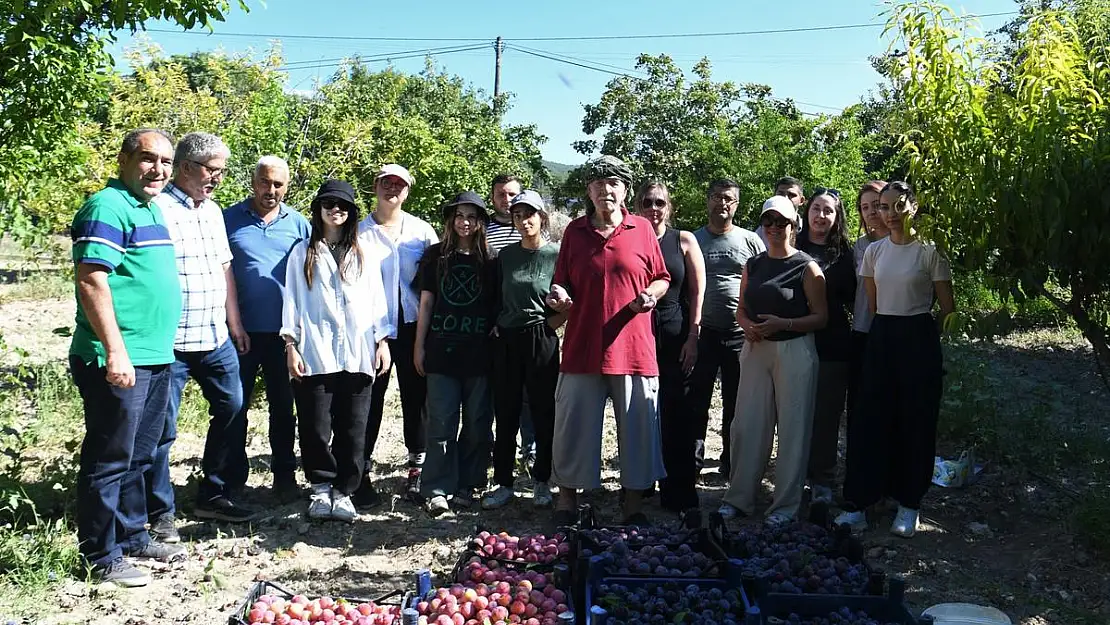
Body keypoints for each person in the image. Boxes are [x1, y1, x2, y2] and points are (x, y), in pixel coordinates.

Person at [70, 128, 184, 587]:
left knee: (140, 454)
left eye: (166, 161)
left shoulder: (149, 208)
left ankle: (132, 535)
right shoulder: (107, 206)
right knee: (109, 457)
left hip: (154, 355)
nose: (158, 169)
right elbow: (92, 279)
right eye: (147, 158)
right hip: (119, 357)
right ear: (124, 158)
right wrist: (116, 351)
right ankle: (100, 556)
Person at [547, 155, 670, 526]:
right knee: (573, 427)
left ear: (625, 190)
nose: (606, 190)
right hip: (583, 346)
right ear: (589, 190)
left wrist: (652, 293)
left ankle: (633, 504)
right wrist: (558, 293)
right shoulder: (575, 231)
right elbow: (561, 280)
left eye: (614, 183)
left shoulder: (643, 230)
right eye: (599, 184)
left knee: (637, 427)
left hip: (633, 348)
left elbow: (662, 276)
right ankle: (567, 500)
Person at [835, 182, 955, 538]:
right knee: (870, 419)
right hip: (882, 336)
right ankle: (860, 502)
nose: (888, 214)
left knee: (915, 420)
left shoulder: (931, 251)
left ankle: (909, 503)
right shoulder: (874, 252)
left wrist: (921, 337)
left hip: (918, 337)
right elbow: (874, 305)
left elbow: (947, 309)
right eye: (883, 207)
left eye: (897, 206)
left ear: (913, 206)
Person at [149, 132, 253, 536]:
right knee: (163, 429)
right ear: (186, 167)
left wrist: (235, 322)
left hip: (214, 336)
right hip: (169, 341)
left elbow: (224, 267)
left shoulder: (213, 211)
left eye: (222, 171)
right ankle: (160, 513)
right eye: (212, 170)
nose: (217, 179)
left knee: (232, 407)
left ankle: (213, 492)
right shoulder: (156, 208)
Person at [282, 180, 392, 522]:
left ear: (352, 211)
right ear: (319, 210)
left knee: (354, 425)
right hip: (315, 350)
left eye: (343, 205)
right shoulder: (303, 252)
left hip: (358, 351)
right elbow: (292, 302)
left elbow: (377, 300)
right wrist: (291, 346)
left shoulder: (365, 252)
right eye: (329, 204)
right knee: (315, 425)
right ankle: (320, 487)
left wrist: (382, 340)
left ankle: (345, 491)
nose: (336, 210)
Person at [719, 196, 828, 526]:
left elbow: (821, 317)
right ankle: (738, 498)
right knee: (746, 426)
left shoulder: (808, 267)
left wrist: (784, 324)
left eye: (781, 222)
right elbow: (740, 307)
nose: (773, 228)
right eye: (768, 222)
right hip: (756, 350)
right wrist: (747, 326)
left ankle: (784, 506)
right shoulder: (753, 264)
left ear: (794, 226)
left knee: (793, 430)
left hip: (794, 351)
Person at [224, 156, 311, 504]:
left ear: (287, 187)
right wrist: (233, 324)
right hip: (238, 332)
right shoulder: (228, 219)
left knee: (283, 406)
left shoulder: (300, 225)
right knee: (234, 406)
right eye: (264, 182)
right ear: (253, 181)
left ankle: (285, 475)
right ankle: (231, 478)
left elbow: (310, 278)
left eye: (278, 184)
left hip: (284, 335)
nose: (270, 190)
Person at [415, 191, 498, 516]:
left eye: (472, 217)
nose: (466, 222)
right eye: (460, 216)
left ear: (480, 223)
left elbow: (498, 307)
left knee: (477, 424)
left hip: (479, 354)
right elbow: (426, 303)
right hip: (441, 352)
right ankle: (436, 488)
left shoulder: (491, 261)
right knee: (441, 423)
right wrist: (418, 346)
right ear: (451, 220)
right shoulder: (435, 256)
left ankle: (469, 485)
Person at [359, 164, 438, 504]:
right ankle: (359, 470)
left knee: (416, 397)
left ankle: (417, 469)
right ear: (375, 186)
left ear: (407, 191)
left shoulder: (421, 232)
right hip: (371, 327)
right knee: (368, 399)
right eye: (386, 182)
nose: (392, 189)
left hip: (412, 325)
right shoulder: (359, 231)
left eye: (399, 184)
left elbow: (434, 279)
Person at [482, 190, 562, 510]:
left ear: (541, 218)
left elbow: (571, 297)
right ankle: (503, 483)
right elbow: (496, 296)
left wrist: (552, 325)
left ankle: (542, 481)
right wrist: (497, 324)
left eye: (530, 214)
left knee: (543, 410)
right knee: (506, 410)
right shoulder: (506, 256)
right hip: (508, 339)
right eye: (517, 215)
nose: (523, 220)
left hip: (541, 336)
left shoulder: (556, 254)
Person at [636, 181, 706, 526]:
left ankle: (679, 491)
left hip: (677, 334)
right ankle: (642, 483)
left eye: (660, 202)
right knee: (642, 412)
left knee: (677, 414)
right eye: (647, 202)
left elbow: (697, 292)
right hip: (638, 337)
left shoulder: (684, 240)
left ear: (669, 206)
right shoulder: (631, 237)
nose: (654, 208)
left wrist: (694, 337)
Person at [690, 179, 765, 479]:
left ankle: (732, 464)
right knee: (697, 402)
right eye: (717, 197)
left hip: (740, 335)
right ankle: (692, 464)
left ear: (737, 204)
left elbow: (762, 285)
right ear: (708, 200)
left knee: (737, 404)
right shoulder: (692, 240)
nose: (723, 203)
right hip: (702, 332)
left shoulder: (750, 241)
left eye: (729, 199)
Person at [797, 188, 857, 505]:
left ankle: (822, 479)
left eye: (828, 211)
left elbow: (856, 299)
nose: (821, 216)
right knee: (795, 413)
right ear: (807, 211)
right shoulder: (792, 245)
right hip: (794, 340)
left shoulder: (845, 253)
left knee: (827, 415)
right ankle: (795, 476)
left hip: (833, 343)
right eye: (817, 208)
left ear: (837, 218)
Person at [485, 174, 538, 480]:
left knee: (531, 397)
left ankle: (530, 453)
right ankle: (497, 452)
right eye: (502, 195)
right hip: (496, 327)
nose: (507, 201)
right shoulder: (484, 230)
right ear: (493, 197)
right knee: (500, 395)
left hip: (530, 330)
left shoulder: (531, 231)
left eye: (513, 195)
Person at [846, 181, 888, 432]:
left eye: (876, 205)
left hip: (895, 328)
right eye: (864, 207)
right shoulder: (859, 246)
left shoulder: (909, 244)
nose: (871, 212)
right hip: (862, 329)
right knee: (860, 400)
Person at [756, 176, 806, 247]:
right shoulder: (762, 232)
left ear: (801, 200)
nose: (785, 198)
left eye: (791, 195)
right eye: (781, 194)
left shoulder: (808, 230)